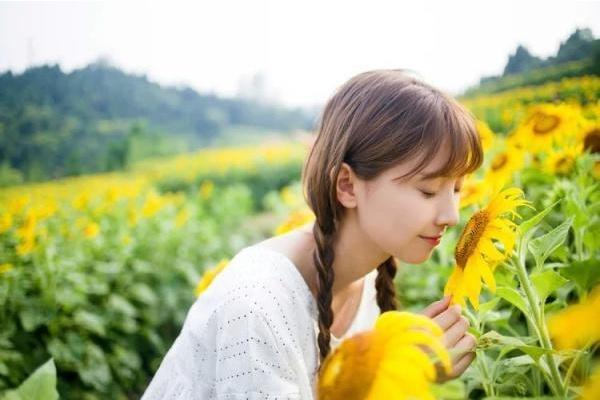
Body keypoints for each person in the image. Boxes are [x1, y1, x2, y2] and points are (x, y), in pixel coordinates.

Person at [141, 68, 483, 399]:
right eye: (427, 190)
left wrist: (396, 360)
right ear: (347, 185)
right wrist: (402, 372)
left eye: (456, 189)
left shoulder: (363, 280)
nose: (452, 216)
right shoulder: (256, 305)